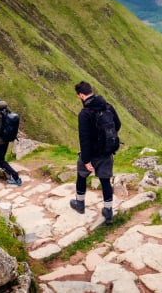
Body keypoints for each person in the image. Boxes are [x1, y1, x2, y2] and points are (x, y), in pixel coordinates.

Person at [70, 81, 121, 225]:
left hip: (92, 153)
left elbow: (84, 139)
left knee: (81, 175)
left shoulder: (85, 114)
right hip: (106, 152)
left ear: (81, 95)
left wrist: (86, 160)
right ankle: (108, 212)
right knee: (105, 181)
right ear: (91, 91)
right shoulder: (108, 106)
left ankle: (79, 204)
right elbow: (117, 124)